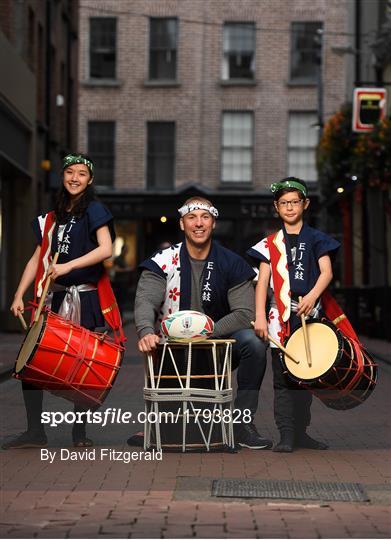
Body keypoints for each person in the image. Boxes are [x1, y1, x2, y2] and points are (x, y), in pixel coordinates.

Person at [128, 196, 272, 450]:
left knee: (254, 343)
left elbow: (244, 313)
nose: (198, 223)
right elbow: (146, 300)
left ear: (213, 223)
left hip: (217, 347)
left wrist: (205, 333)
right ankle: (160, 421)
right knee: (175, 428)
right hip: (172, 350)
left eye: (205, 217)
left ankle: (242, 423)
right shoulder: (163, 260)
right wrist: (146, 331)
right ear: (182, 223)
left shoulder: (231, 263)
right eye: (192, 217)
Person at [2, 153, 121, 449]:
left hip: (85, 297)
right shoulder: (52, 217)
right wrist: (18, 294)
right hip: (53, 299)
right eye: (70, 172)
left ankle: (79, 433)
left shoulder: (94, 209)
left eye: (82, 173)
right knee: (29, 363)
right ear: (62, 175)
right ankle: (34, 431)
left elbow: (106, 249)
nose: (75, 178)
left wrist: (68, 266)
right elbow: (37, 257)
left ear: (90, 179)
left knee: (82, 367)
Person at [249, 177, 340, 452]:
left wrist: (312, 296)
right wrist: (261, 315)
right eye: (284, 203)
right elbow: (263, 283)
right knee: (283, 377)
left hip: (310, 313)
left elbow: (327, 272)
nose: (290, 208)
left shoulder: (316, 238)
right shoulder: (270, 243)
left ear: (305, 204)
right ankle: (286, 433)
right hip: (280, 316)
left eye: (295, 202)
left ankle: (302, 432)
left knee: (307, 376)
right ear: (277, 207)